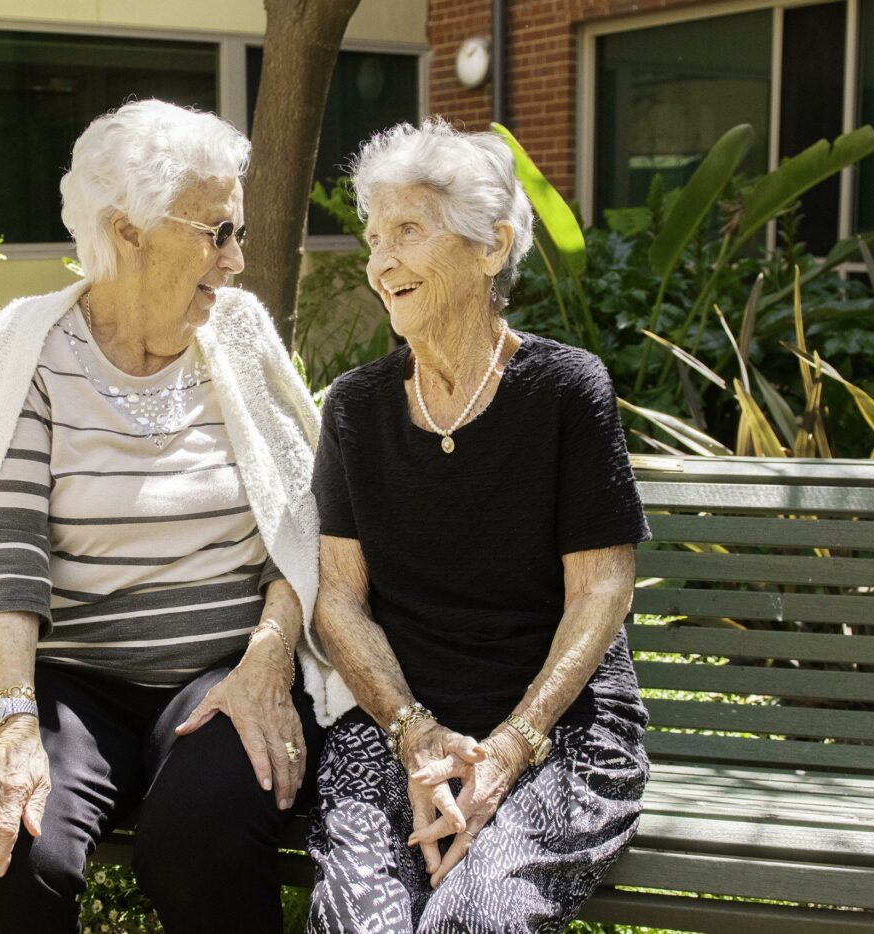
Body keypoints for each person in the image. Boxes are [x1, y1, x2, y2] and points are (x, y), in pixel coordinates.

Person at [0, 100, 326, 934]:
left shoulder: (237, 338)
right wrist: (13, 718)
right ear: (127, 229)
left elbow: (302, 533)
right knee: (0, 850)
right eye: (218, 232)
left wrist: (268, 662)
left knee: (197, 836)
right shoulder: (28, 351)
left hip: (225, 673)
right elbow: (11, 551)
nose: (237, 260)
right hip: (76, 686)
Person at [304, 119, 651, 933]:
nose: (380, 262)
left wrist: (508, 747)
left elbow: (602, 589)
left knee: (476, 921)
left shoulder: (566, 390)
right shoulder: (355, 407)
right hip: (399, 724)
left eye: (408, 232)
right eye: (374, 238)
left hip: (559, 730)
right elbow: (339, 599)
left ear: (491, 248)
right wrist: (416, 737)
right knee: (361, 923)